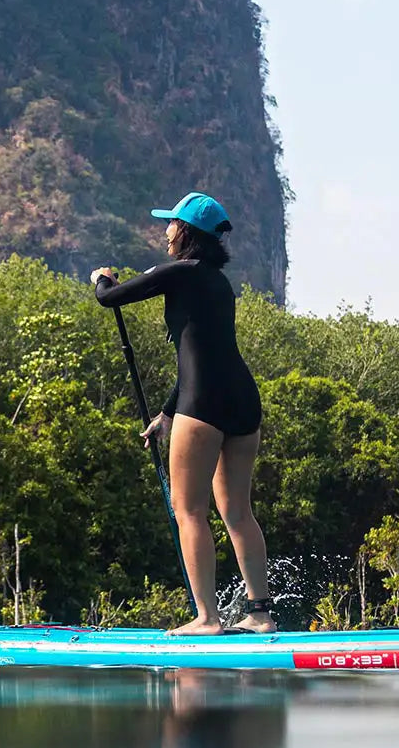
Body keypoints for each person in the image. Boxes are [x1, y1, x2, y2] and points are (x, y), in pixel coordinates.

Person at [92, 193, 275, 637]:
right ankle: (260, 615)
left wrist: (101, 278)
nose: (165, 231)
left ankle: (207, 618)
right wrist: (169, 412)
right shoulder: (216, 281)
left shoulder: (179, 272)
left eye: (170, 224)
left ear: (187, 232)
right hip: (241, 399)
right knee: (237, 511)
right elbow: (204, 355)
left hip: (206, 403)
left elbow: (110, 298)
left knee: (188, 509)